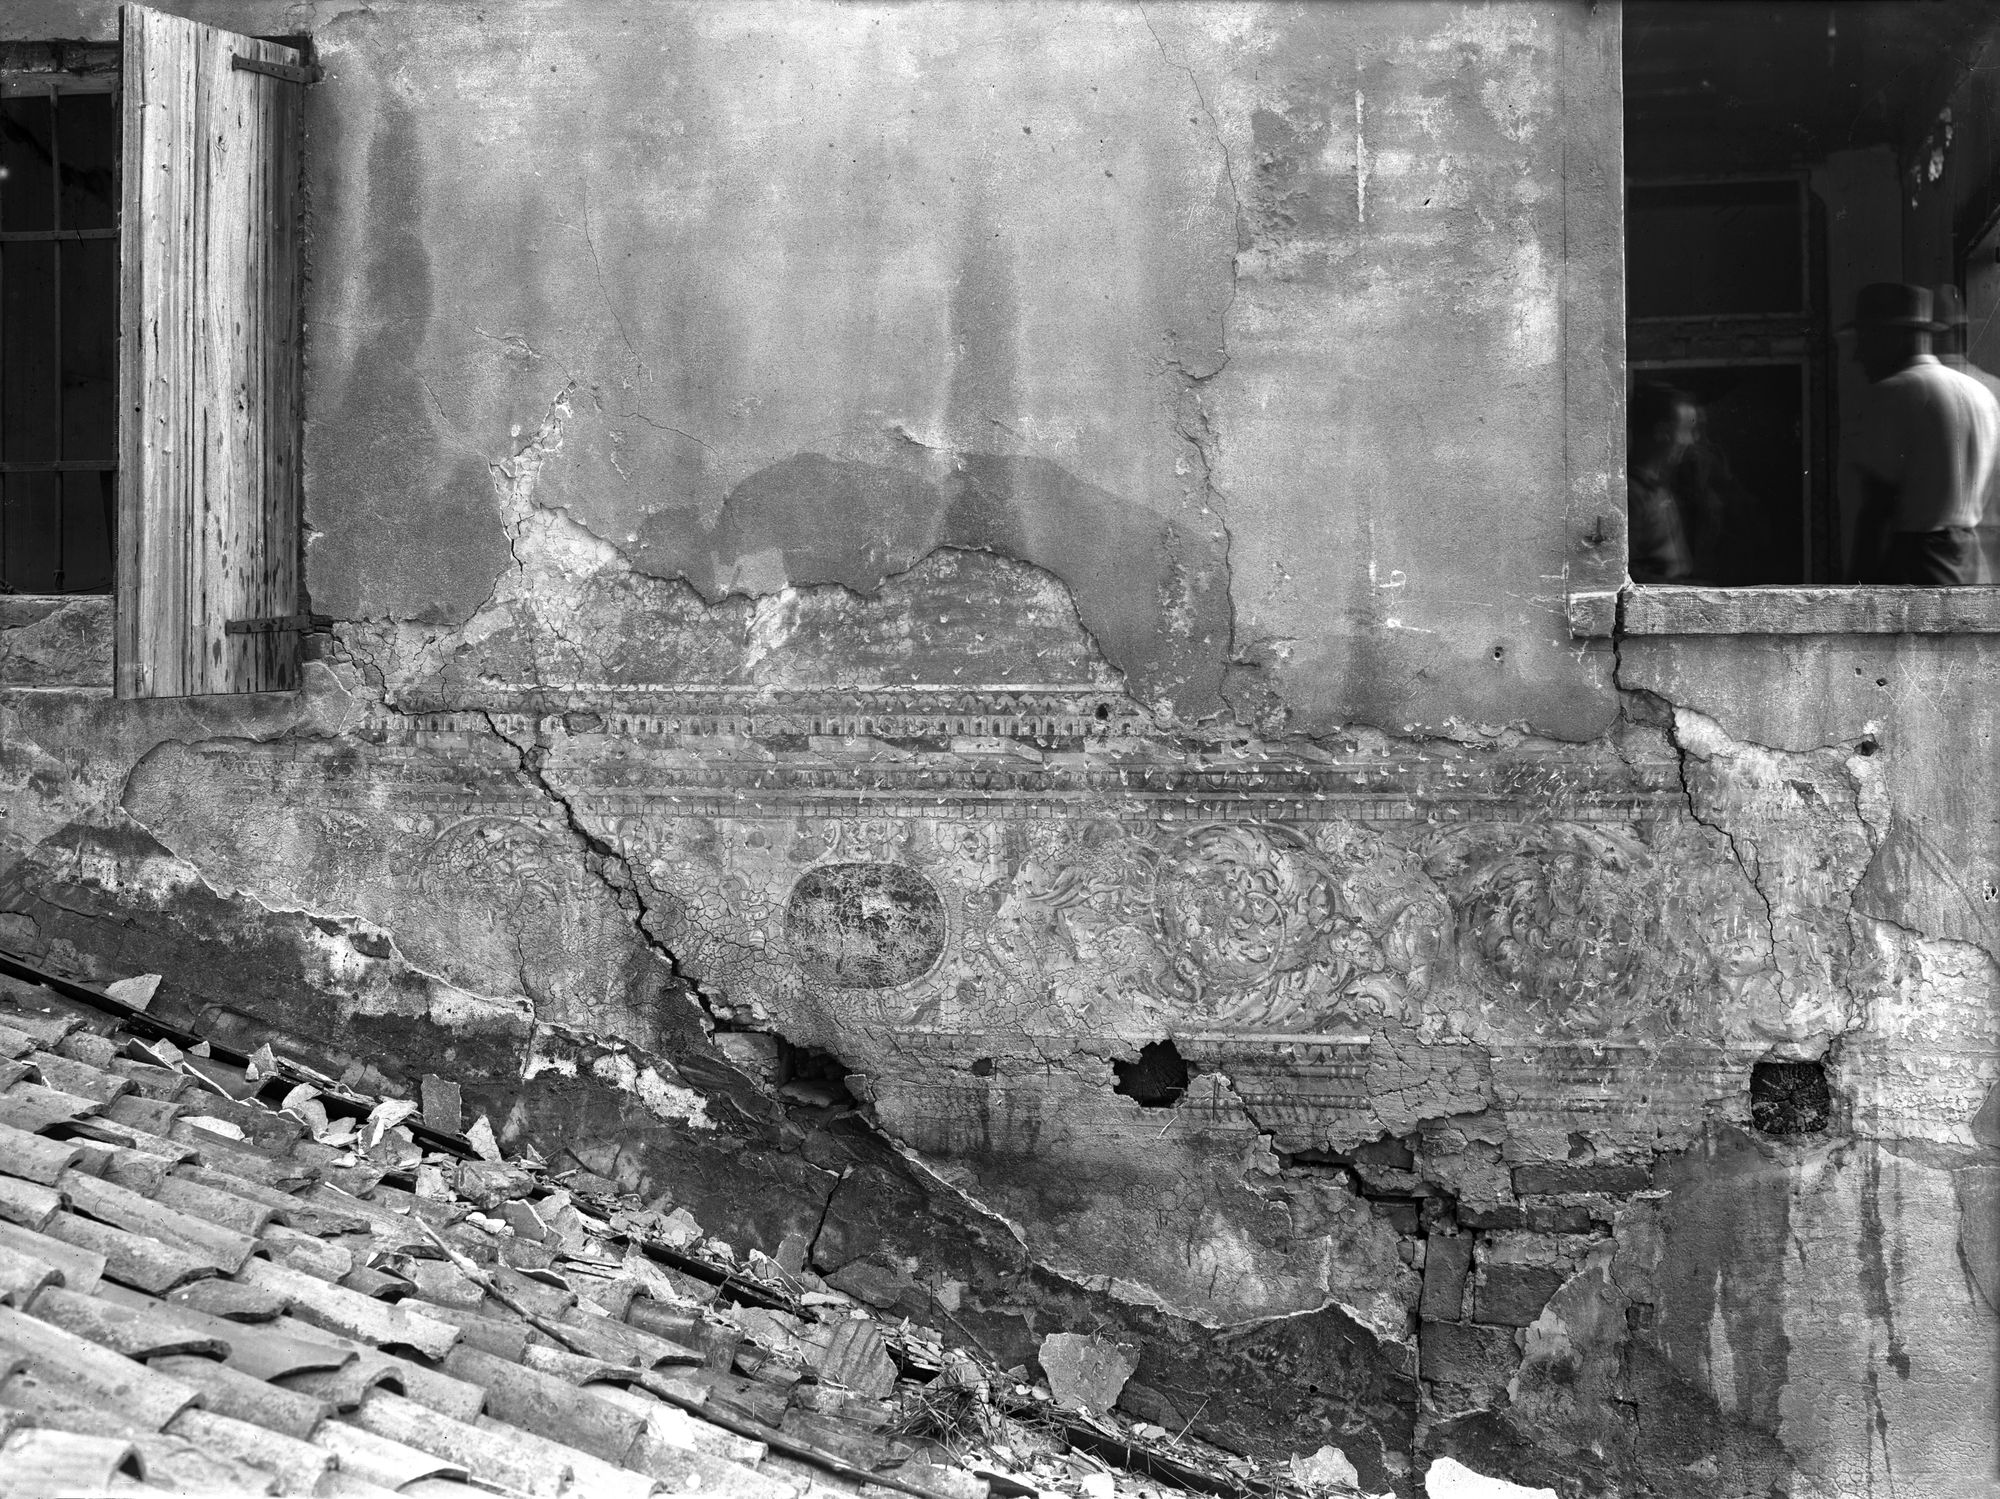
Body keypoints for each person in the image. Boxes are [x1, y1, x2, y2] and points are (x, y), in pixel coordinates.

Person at [1846, 282, 2000, 585]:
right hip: (1972, 566)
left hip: (1918, 567)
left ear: (1893, 337)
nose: (1858, 355)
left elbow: (1877, 508)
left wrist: (1855, 591)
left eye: (1866, 339)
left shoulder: (1894, 392)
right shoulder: (1981, 393)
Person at [1627, 382, 1700, 583]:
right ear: (1663, 432)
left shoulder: (1659, 488)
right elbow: (1628, 574)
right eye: (1687, 430)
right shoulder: (1632, 495)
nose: (1691, 441)